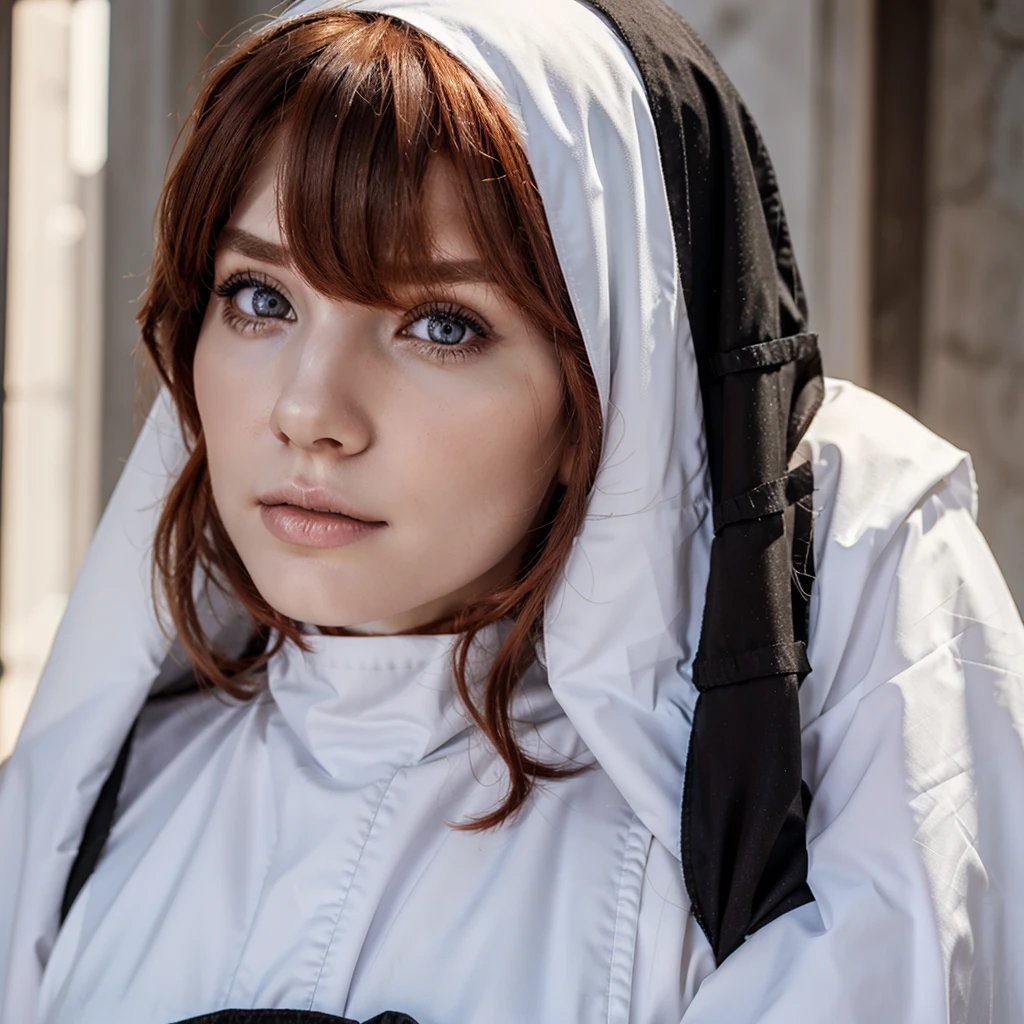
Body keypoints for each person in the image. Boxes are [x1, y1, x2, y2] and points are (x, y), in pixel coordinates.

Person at [1, 0, 1022, 1021]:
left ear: (614, 380)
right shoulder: (117, 807)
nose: (308, 412)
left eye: (441, 323)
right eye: (260, 298)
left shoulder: (741, 859)